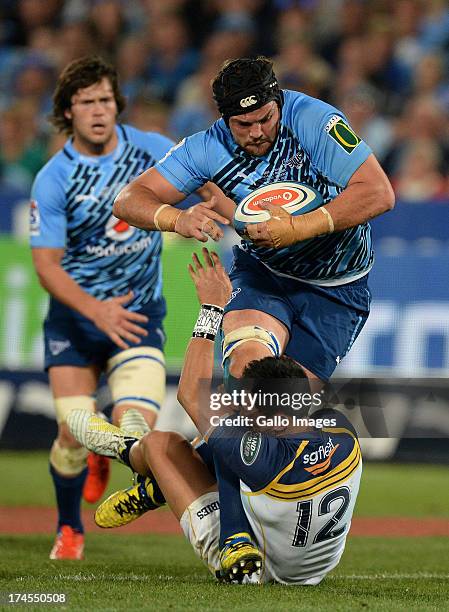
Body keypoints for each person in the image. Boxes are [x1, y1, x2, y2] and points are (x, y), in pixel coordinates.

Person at [29, 56, 226, 561]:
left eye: (105, 99)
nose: (98, 110)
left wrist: (233, 215)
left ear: (117, 103)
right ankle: (70, 526)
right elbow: (48, 268)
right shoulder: (54, 179)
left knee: (135, 430)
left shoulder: (152, 149)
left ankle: (111, 450)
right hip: (76, 322)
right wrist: (97, 312)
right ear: (67, 111)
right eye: (85, 102)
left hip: (139, 317)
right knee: (71, 432)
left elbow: (209, 186)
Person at [67, 249, 362, 585]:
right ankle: (150, 483)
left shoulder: (261, 456)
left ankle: (137, 459)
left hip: (255, 570)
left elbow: (191, 394)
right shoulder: (343, 435)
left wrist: (210, 309)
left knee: (164, 445)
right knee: (221, 435)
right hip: (316, 569)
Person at [113, 56, 395, 394]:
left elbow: (379, 193)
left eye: (265, 118)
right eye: (243, 125)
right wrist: (177, 218)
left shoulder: (313, 120)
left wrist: (299, 228)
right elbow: (128, 200)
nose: (257, 132)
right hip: (264, 275)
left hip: (337, 286)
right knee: (250, 370)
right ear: (224, 119)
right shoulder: (206, 148)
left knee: (286, 410)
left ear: (278, 102)